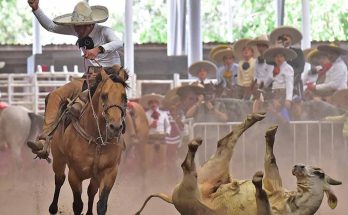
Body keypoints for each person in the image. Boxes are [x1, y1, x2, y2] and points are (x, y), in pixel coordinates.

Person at [26, 0, 138, 159]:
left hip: (111, 77)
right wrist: (36, 9)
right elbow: (51, 26)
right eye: (76, 26)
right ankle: (45, 140)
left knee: (113, 101)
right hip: (91, 77)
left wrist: (98, 49)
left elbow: (119, 42)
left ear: (90, 24)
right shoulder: (77, 30)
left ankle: (119, 135)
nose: (76, 29)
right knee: (55, 95)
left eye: (80, 26)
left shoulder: (104, 31)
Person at [270, 26, 305, 101]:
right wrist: (277, 46)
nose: (285, 39)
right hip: (279, 85)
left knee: (296, 103)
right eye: (283, 37)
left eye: (288, 36)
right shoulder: (276, 53)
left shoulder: (298, 52)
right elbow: (268, 61)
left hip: (295, 81)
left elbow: (301, 68)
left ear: (291, 39)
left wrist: (289, 74)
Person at [263, 46, 297, 123]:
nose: (279, 59)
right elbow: (267, 81)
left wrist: (288, 99)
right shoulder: (273, 69)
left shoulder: (288, 68)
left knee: (282, 114)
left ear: (284, 58)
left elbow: (289, 84)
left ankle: (287, 126)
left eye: (281, 56)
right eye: (277, 57)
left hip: (283, 94)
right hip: (274, 94)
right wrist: (261, 87)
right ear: (274, 58)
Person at [139, 93, 171, 169]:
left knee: (163, 162)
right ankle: (148, 178)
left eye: (155, 102)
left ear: (158, 104)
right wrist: (149, 127)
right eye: (151, 103)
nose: (153, 104)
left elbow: (168, 125)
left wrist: (167, 132)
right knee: (148, 162)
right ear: (149, 104)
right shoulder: (145, 114)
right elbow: (142, 127)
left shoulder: (164, 114)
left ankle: (162, 178)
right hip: (150, 138)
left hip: (161, 138)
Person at [247, 35, 274, 112]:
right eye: (259, 46)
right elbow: (255, 75)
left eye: (263, 46)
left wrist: (260, 85)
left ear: (267, 47)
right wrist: (255, 84)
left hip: (268, 88)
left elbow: (270, 77)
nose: (261, 48)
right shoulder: (256, 61)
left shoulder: (271, 59)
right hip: (257, 87)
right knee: (248, 100)